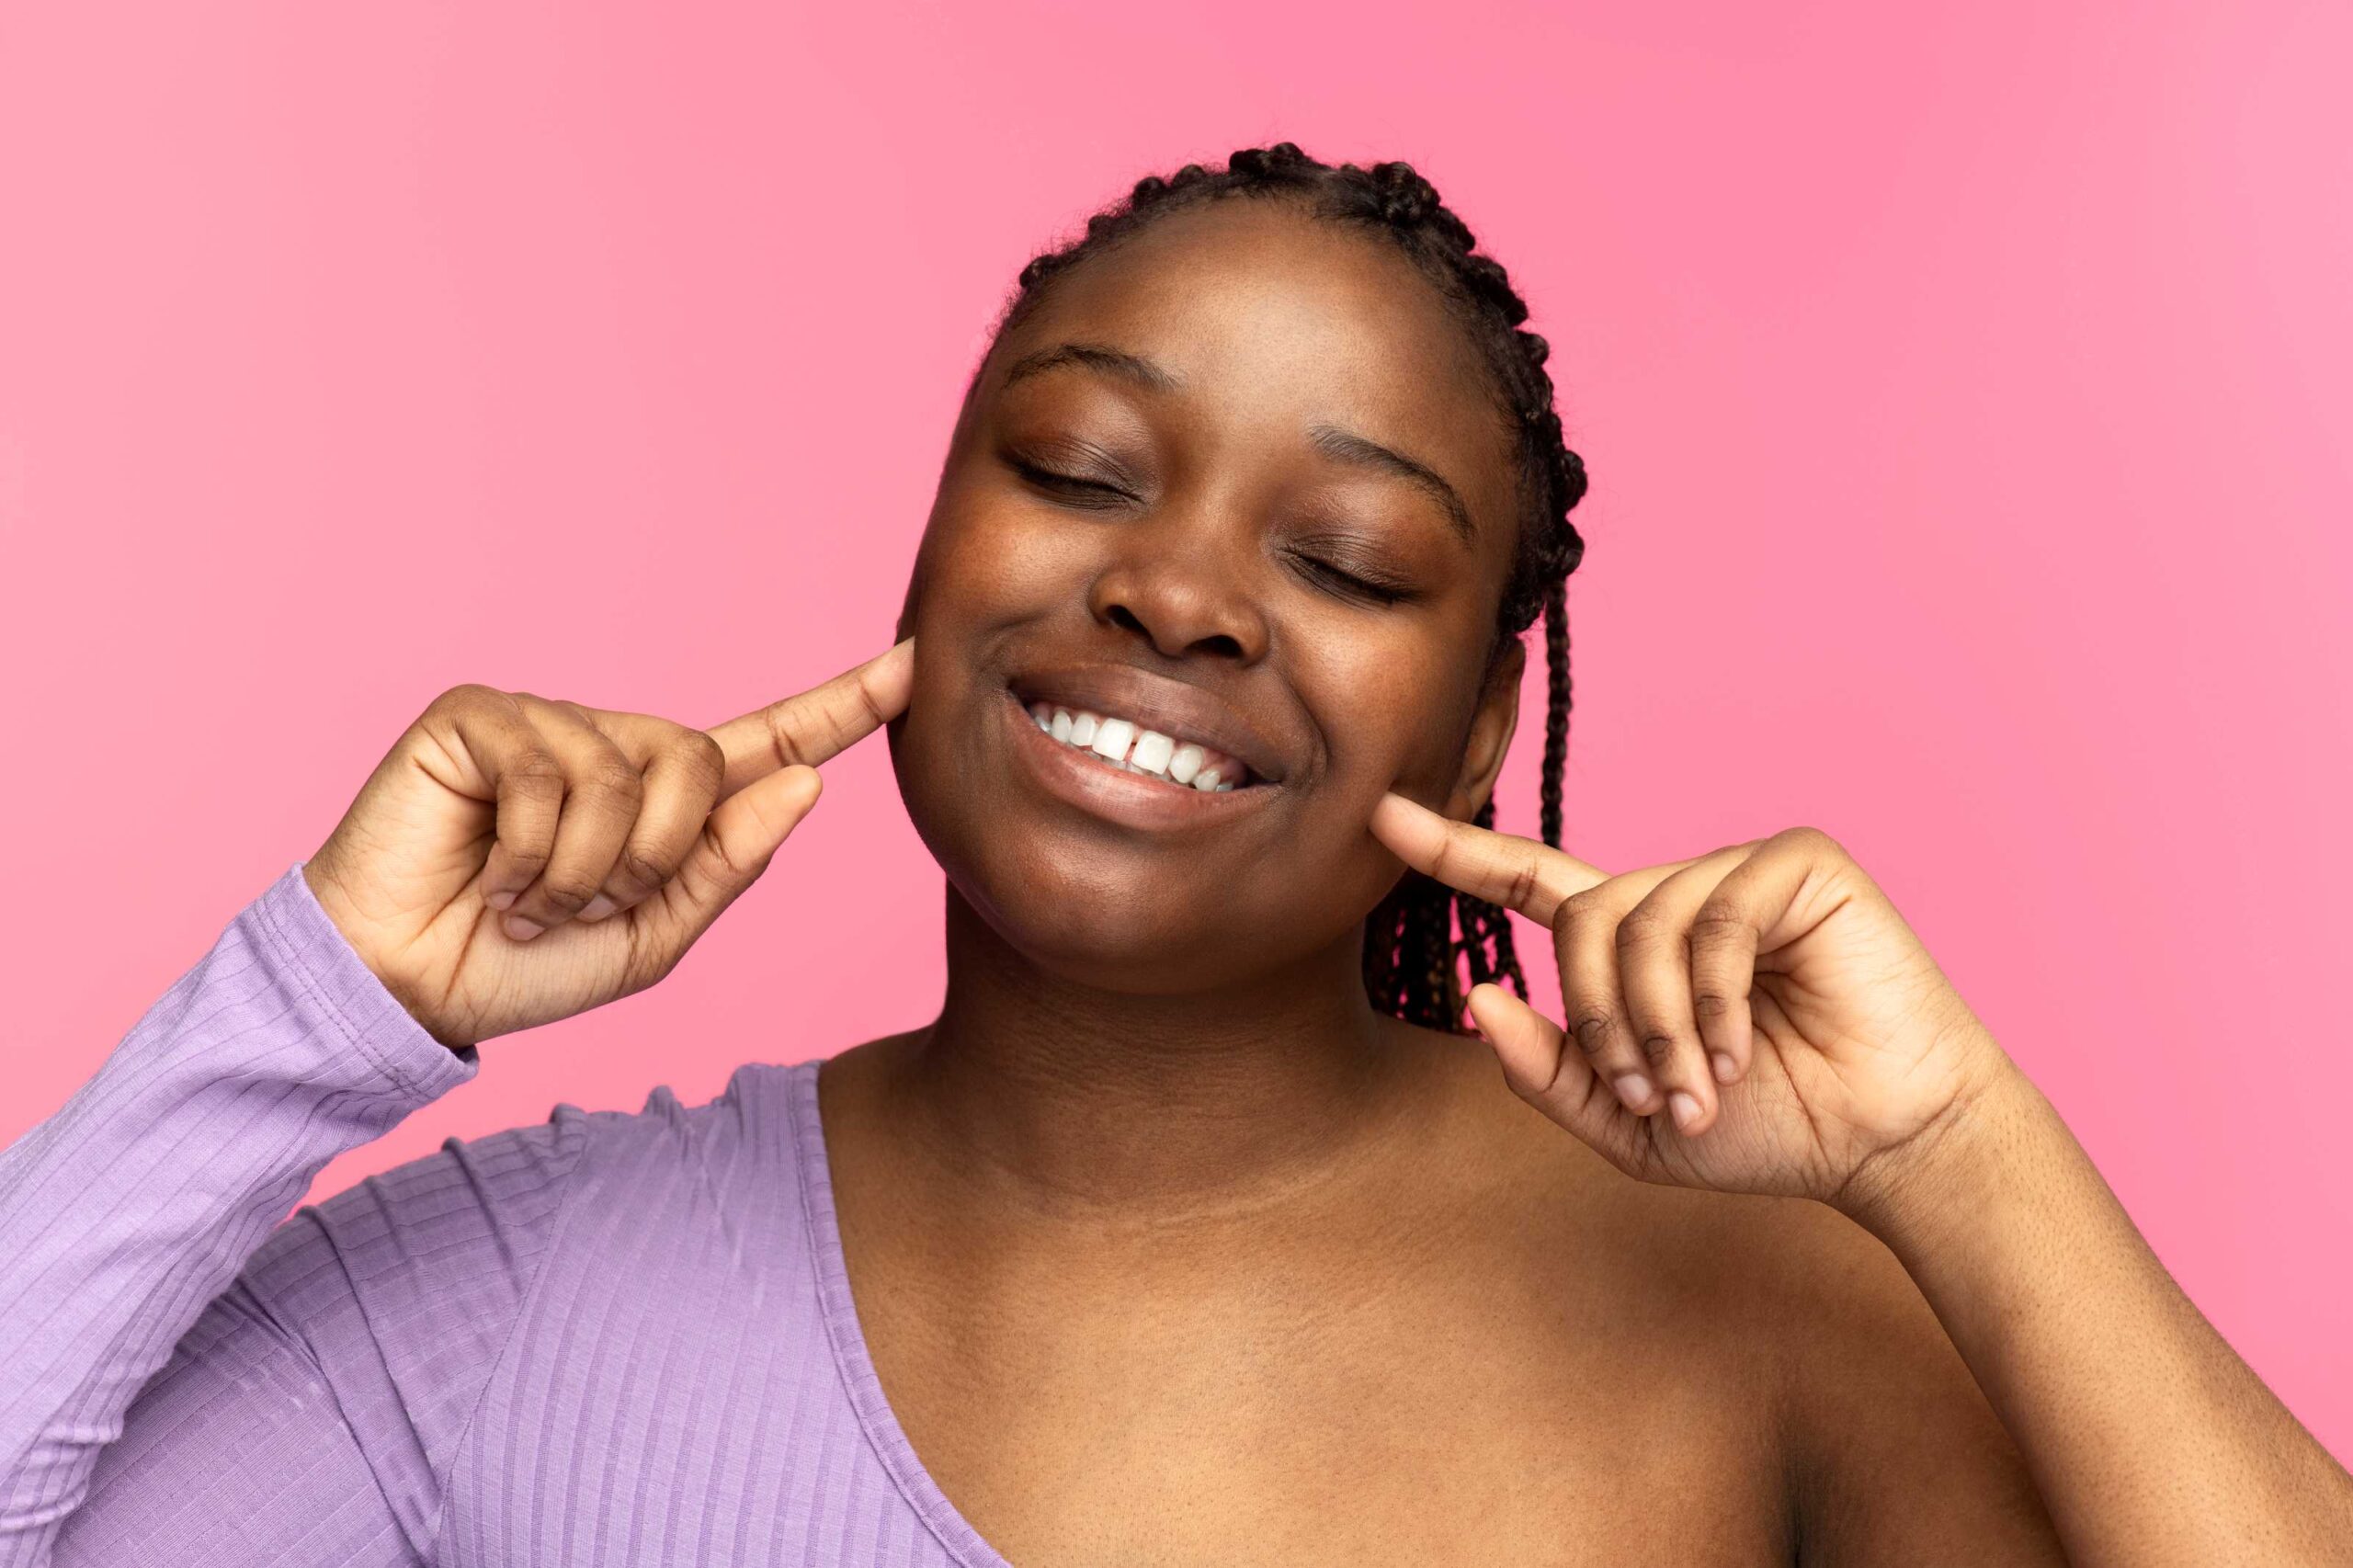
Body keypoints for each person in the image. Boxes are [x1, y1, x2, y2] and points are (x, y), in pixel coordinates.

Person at [2, 143, 2346, 1567]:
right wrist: (311, 1005)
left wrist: (1953, 1152)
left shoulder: (1767, 1311)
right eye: (1083, 467)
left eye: (1342, 555)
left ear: (1484, 713)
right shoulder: (512, 1299)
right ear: (927, 544)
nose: (1179, 590)